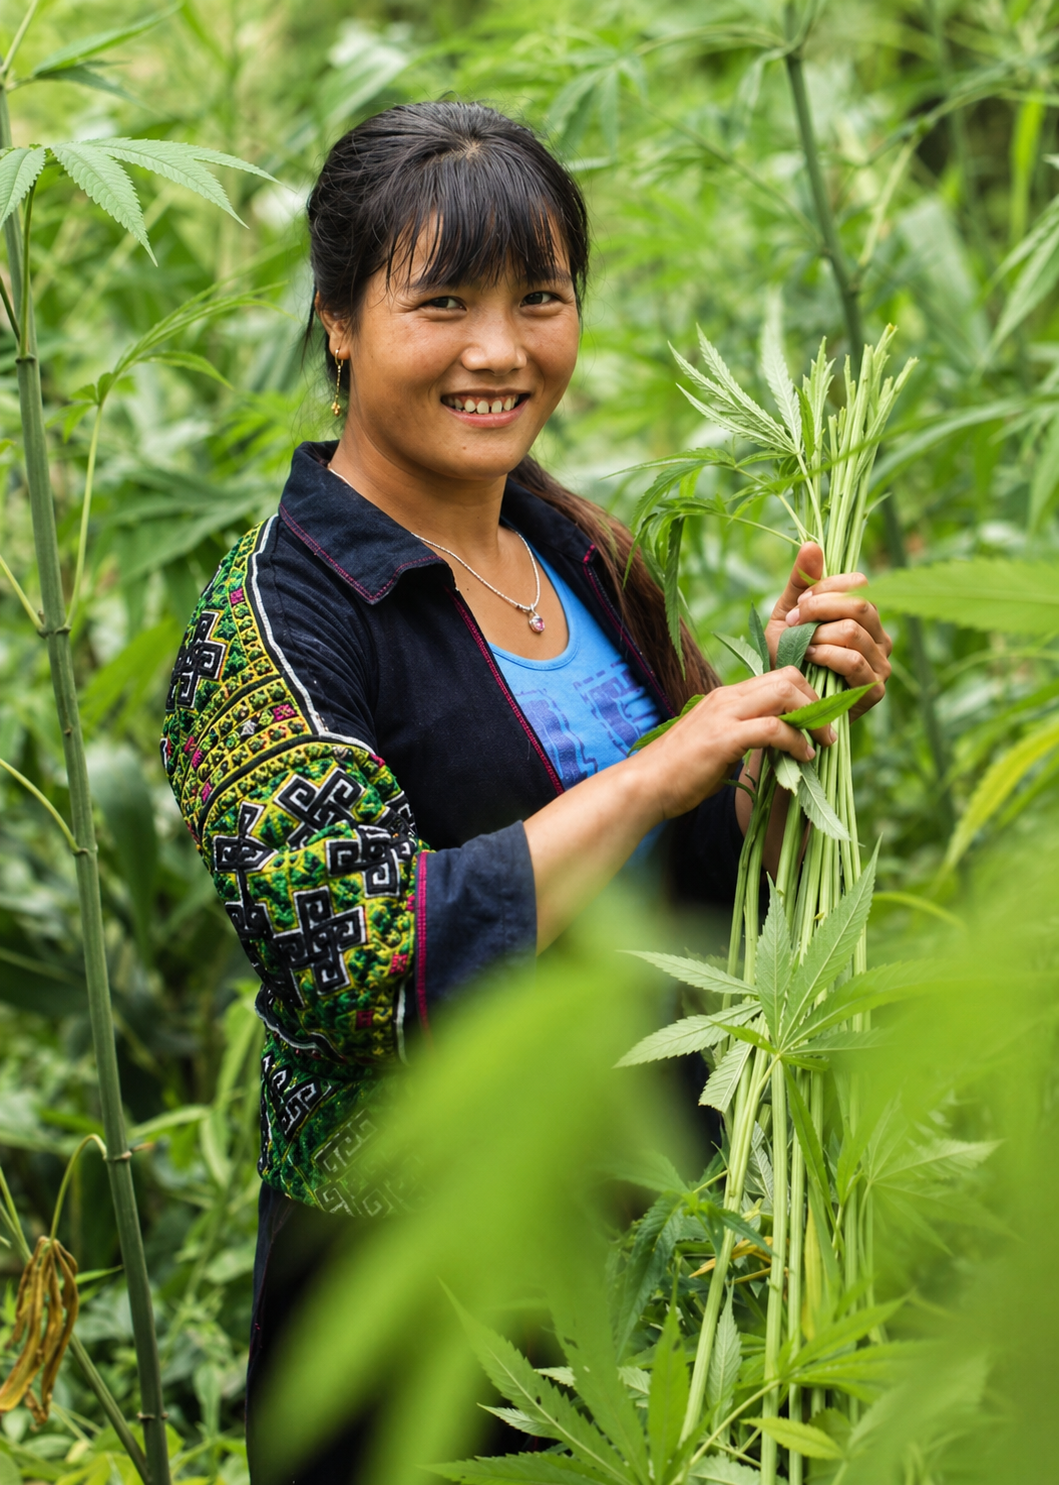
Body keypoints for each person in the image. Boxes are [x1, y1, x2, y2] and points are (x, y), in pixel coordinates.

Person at [161, 101, 892, 1482]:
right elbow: (358, 967)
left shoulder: (581, 553)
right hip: (425, 1326)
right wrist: (658, 767)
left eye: (538, 298)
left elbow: (706, 895)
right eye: (442, 303)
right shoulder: (270, 627)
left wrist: (784, 721)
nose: (500, 351)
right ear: (335, 317)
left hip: (658, 1284)